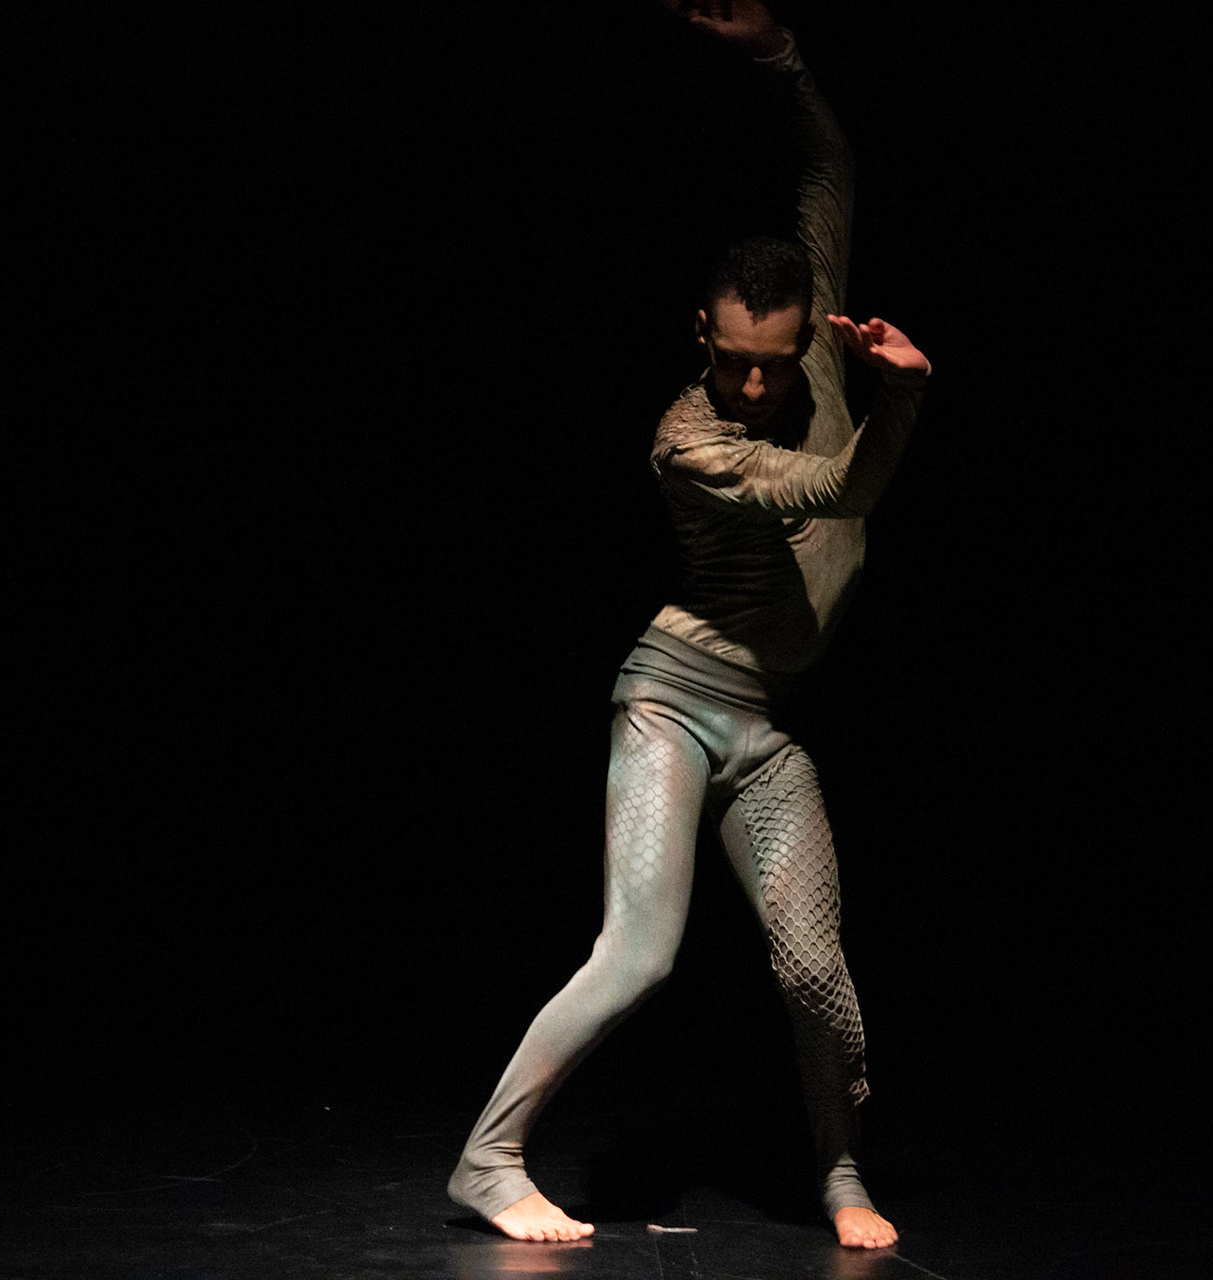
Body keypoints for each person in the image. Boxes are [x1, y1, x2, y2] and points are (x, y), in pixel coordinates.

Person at [448, 0, 929, 1250]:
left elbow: (828, 171)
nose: (755, 385)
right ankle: (487, 1159)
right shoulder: (689, 442)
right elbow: (833, 489)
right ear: (700, 338)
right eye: (732, 361)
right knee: (641, 950)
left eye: (776, 362)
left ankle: (841, 1174)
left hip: (761, 728)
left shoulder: (812, 337)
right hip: (669, 700)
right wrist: (902, 405)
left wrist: (781, 60)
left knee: (814, 967)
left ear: (808, 330)